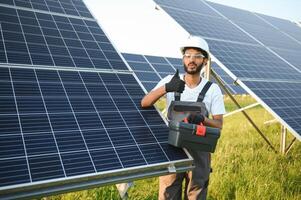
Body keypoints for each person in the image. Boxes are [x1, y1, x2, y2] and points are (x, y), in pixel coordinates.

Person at [141, 35, 225, 200]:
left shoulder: (212, 89)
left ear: (205, 61)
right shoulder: (170, 81)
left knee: (196, 193)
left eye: (197, 56)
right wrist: (166, 88)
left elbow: (219, 124)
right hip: (172, 147)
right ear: (183, 59)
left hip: (200, 148)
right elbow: (145, 102)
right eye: (187, 55)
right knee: (168, 193)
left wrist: (203, 119)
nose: (191, 60)